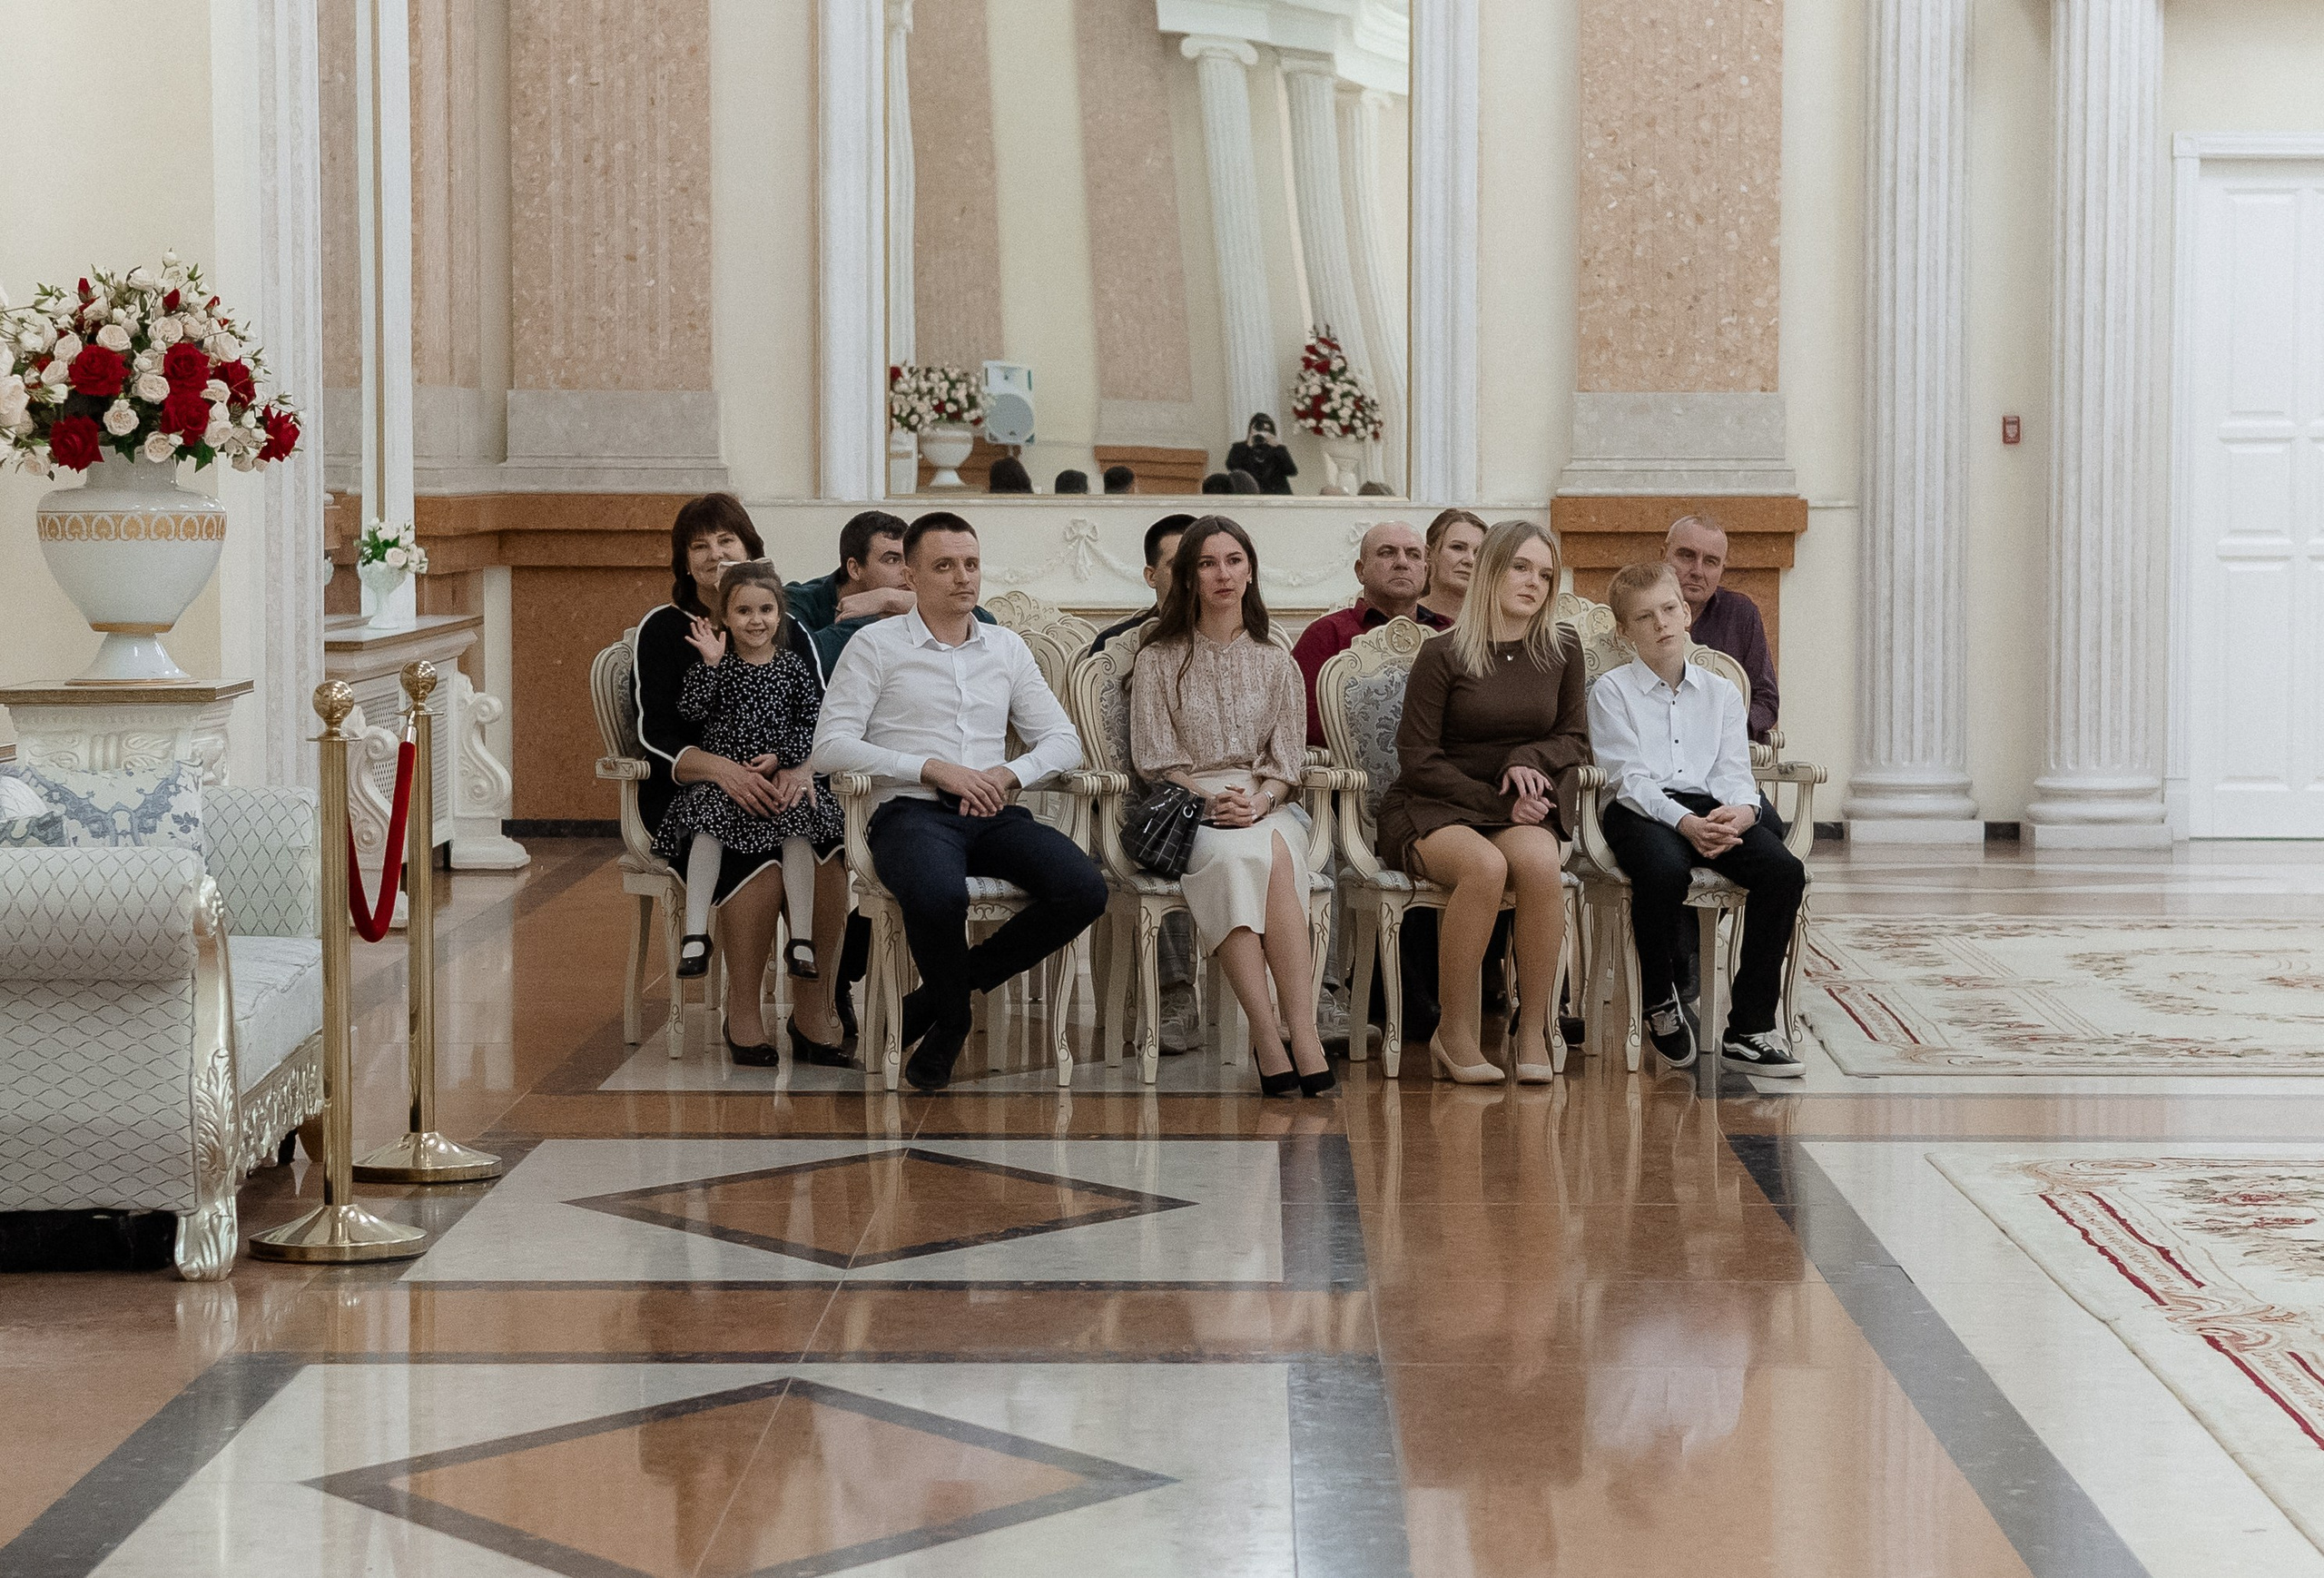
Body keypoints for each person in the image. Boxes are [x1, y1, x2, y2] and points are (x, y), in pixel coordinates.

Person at [811, 511, 1108, 1090]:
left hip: (992, 811)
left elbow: (1063, 740)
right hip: (909, 812)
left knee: (1084, 889)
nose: (962, 577)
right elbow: (830, 747)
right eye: (944, 566)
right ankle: (953, 1021)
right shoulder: (874, 646)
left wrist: (1009, 774)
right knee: (936, 893)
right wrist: (931, 768)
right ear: (911, 577)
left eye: (971, 564)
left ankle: (941, 1000)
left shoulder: (1005, 648)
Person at [632, 494, 851, 1067]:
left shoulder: (787, 628)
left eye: (726, 540)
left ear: (750, 547)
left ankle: (813, 1011)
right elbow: (655, 731)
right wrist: (725, 771)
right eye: (699, 546)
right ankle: (745, 1013)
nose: (715, 554)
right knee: (760, 861)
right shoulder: (664, 629)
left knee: (826, 849)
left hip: (784, 781)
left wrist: (800, 768)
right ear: (684, 563)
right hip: (693, 790)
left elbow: (820, 716)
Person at [1375, 521, 1590, 1084]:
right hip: (1434, 803)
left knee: (1540, 863)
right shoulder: (1442, 654)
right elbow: (1418, 759)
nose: (1534, 582)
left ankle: (1535, 1028)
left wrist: (1526, 757)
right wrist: (1499, 803)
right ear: (1492, 569)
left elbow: (1575, 739)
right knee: (1484, 867)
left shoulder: (1563, 648)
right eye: (1521, 567)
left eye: (1545, 574)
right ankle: (1455, 1033)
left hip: (1513, 805)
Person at [1130, 517, 1332, 1096]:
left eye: (1234, 561)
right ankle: (1269, 1036)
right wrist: (1211, 798)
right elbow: (1155, 759)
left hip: (1267, 798)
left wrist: (1261, 800)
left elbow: (1288, 760)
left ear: (1250, 572)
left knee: (1274, 852)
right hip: (1190, 801)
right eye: (1207, 563)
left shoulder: (1275, 656)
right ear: (1189, 577)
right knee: (1235, 859)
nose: (1223, 574)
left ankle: (1302, 1033)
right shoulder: (1159, 657)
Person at [1588, 561, 1806, 1077]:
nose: (1661, 623)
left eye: (1669, 610)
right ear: (1624, 631)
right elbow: (1628, 779)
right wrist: (1684, 823)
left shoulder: (1721, 692)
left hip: (1710, 805)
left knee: (1783, 871)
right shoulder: (1611, 691)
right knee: (1664, 869)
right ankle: (1661, 999)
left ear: (1686, 613)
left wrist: (1743, 813)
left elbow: (1733, 770)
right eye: (1645, 617)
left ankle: (1749, 1029)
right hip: (1639, 810)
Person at [650, 562, 842, 1010]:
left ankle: (801, 940)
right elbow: (691, 712)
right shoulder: (720, 666)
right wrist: (710, 665)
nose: (756, 621)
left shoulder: (792, 667)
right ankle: (695, 933)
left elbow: (811, 723)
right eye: (743, 611)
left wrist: (782, 757)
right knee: (707, 826)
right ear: (724, 617)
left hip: (774, 783)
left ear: (780, 614)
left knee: (799, 827)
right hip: (726, 783)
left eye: (766, 610)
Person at [1290, 520, 1445, 747]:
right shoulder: (1326, 633)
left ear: (1425, 570)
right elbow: (1298, 719)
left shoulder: (1448, 632)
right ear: (1360, 571)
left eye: (1413, 555)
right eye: (1387, 553)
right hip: (1352, 767)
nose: (1402, 563)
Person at [1663, 513, 1778, 743]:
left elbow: (1766, 700)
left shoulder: (1741, 614)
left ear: (1722, 569)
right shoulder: (1639, 609)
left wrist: (1727, 733)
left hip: (1722, 750)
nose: (1697, 571)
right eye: (1687, 556)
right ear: (1663, 556)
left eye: (1710, 562)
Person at [785, 510, 912, 634]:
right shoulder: (795, 602)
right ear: (855, 569)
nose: (907, 570)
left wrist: (890, 599)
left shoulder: (904, 592)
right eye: (892, 560)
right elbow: (807, 647)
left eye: (910, 559)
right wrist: (880, 612)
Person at [1091, 514, 1195, 653]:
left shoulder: (1225, 638)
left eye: (1201, 563)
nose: (1189, 574)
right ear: (1151, 576)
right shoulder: (1112, 644)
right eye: (1177, 565)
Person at [1418, 508, 1487, 625]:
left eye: (1478, 553)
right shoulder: (1406, 619)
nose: (1470, 560)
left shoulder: (1495, 623)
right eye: (1458, 547)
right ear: (1428, 554)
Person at [1226, 413, 1298, 494]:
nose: (1262, 433)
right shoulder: (1239, 448)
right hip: (1250, 494)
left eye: (1267, 430)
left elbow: (1292, 471)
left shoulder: (1278, 449)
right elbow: (1232, 467)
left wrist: (1277, 448)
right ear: (1251, 430)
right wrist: (1248, 446)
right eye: (1259, 429)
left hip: (1275, 495)